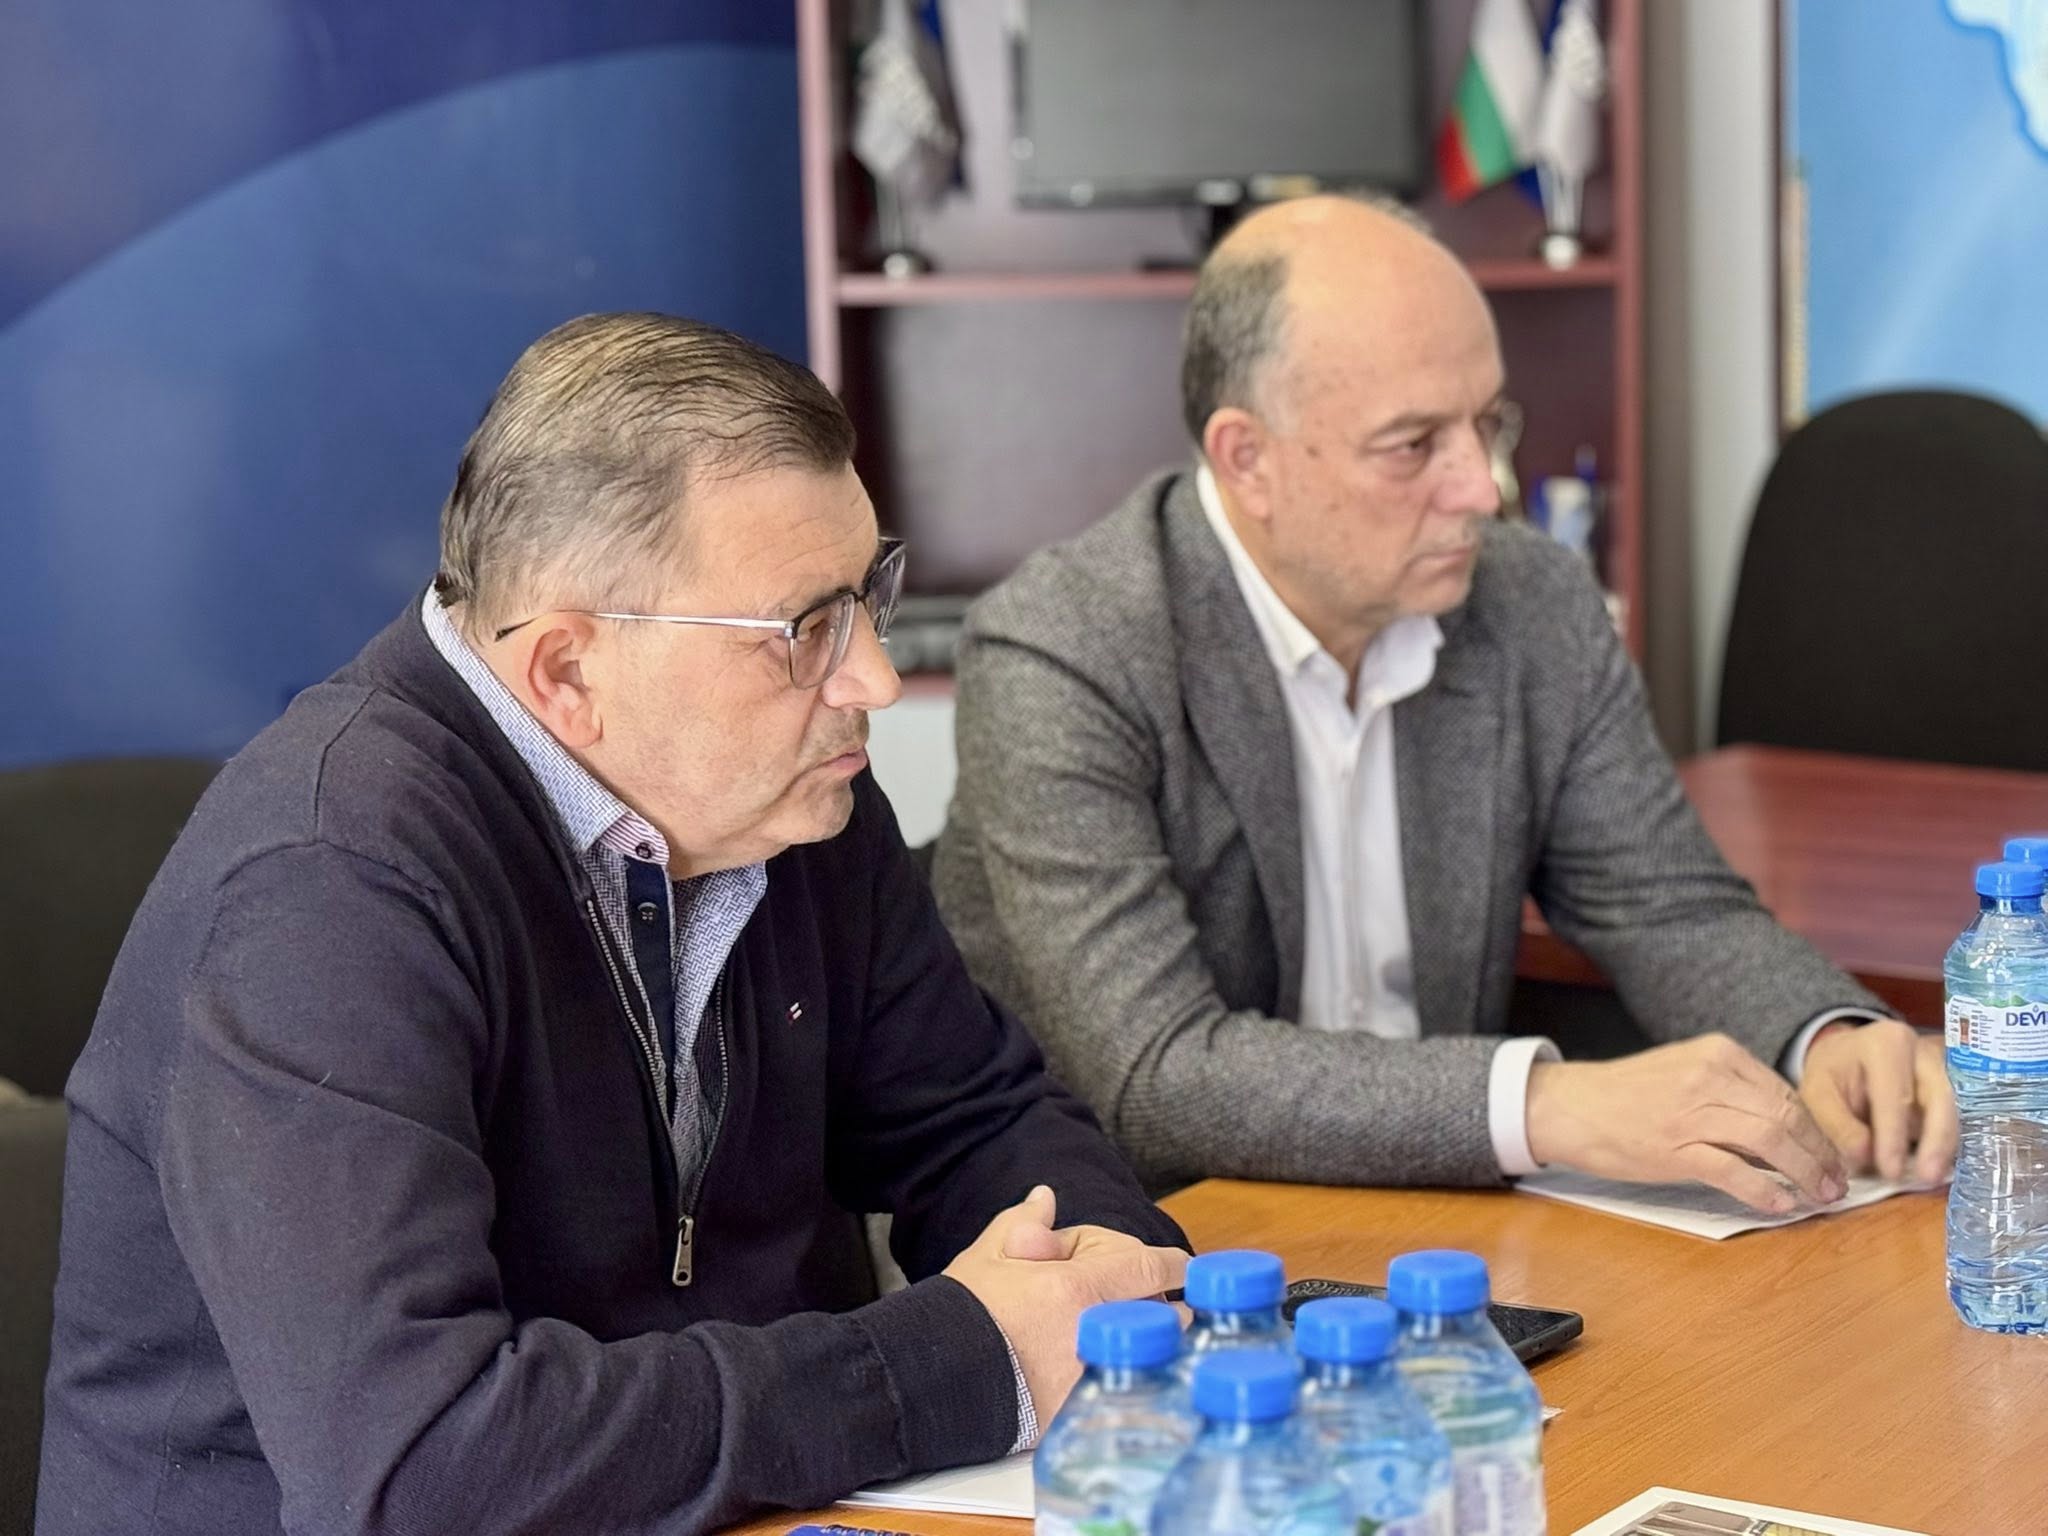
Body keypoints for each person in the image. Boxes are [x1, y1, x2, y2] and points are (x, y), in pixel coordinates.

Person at [37, 313, 1188, 1536]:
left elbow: (973, 1118)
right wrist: (954, 1363)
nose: (873, 680)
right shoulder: (328, 888)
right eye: (805, 631)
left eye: (869, 598)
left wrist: (1102, 1294)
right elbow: (421, 1468)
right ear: (567, 673)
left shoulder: (788, 803)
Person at [932, 196, 1957, 1208]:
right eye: (1414, 445)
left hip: (1436, 1214)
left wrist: (1826, 1035)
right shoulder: (1066, 650)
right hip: (1134, 1238)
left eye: (1487, 422)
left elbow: (1665, 904)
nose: (1483, 486)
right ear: (1248, 459)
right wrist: (1545, 1104)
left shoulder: (1530, 602)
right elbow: (1155, 1073)